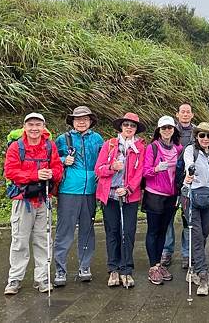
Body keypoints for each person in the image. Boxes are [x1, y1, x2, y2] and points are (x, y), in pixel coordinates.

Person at [3, 113, 63, 295]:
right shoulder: (16, 147)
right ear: (24, 127)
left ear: (44, 127)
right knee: (19, 240)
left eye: (38, 125)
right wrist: (36, 175)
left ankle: (42, 279)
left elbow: (58, 168)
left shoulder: (49, 146)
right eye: (31, 125)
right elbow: (10, 172)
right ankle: (14, 279)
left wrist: (52, 173)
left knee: (43, 240)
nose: (35, 128)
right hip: (23, 200)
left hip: (44, 200)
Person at [53, 106, 104, 287]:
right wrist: (62, 161)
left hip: (90, 190)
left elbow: (103, 161)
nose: (81, 122)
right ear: (72, 121)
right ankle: (60, 269)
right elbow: (50, 160)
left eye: (85, 118)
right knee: (64, 231)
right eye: (77, 119)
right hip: (68, 190)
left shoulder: (97, 139)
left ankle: (85, 266)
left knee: (87, 229)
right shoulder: (62, 139)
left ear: (91, 121)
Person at [95, 112, 146, 288]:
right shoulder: (109, 145)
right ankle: (113, 269)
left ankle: (126, 269)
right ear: (121, 127)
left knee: (129, 232)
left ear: (136, 129)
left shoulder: (140, 147)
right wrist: (112, 167)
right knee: (113, 231)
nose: (129, 128)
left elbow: (139, 173)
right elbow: (98, 169)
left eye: (132, 126)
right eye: (126, 125)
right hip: (109, 195)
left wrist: (129, 189)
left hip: (129, 196)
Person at [143, 116, 183, 285]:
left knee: (163, 230)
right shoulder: (153, 147)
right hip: (154, 194)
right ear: (158, 130)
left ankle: (159, 264)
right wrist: (156, 169)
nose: (167, 130)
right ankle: (153, 267)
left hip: (171, 195)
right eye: (164, 128)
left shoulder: (178, 149)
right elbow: (145, 172)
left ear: (174, 130)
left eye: (170, 127)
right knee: (153, 230)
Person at [183, 122, 209, 296]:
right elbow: (189, 164)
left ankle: (195, 265)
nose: (205, 139)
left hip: (208, 199)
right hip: (191, 197)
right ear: (196, 136)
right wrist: (189, 173)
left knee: (204, 234)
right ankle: (203, 275)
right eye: (202, 135)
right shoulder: (191, 151)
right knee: (196, 235)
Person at [161, 103, 195, 268]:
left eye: (188, 112)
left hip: (189, 181)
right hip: (170, 180)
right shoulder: (169, 130)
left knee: (187, 218)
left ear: (192, 115)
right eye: (183, 111)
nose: (185, 114)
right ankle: (167, 251)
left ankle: (187, 254)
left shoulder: (197, 132)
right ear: (177, 114)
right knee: (168, 217)